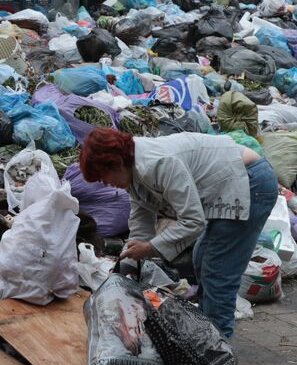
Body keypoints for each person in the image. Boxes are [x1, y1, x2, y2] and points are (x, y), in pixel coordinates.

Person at [79, 128, 277, 340]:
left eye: (104, 178)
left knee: (217, 271)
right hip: (229, 185)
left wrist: (151, 248)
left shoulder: (157, 164)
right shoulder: (133, 168)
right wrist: (128, 265)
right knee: (201, 256)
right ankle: (208, 336)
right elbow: (141, 215)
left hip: (250, 182)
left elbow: (193, 221)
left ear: (116, 162)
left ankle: (217, 349)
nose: (107, 185)